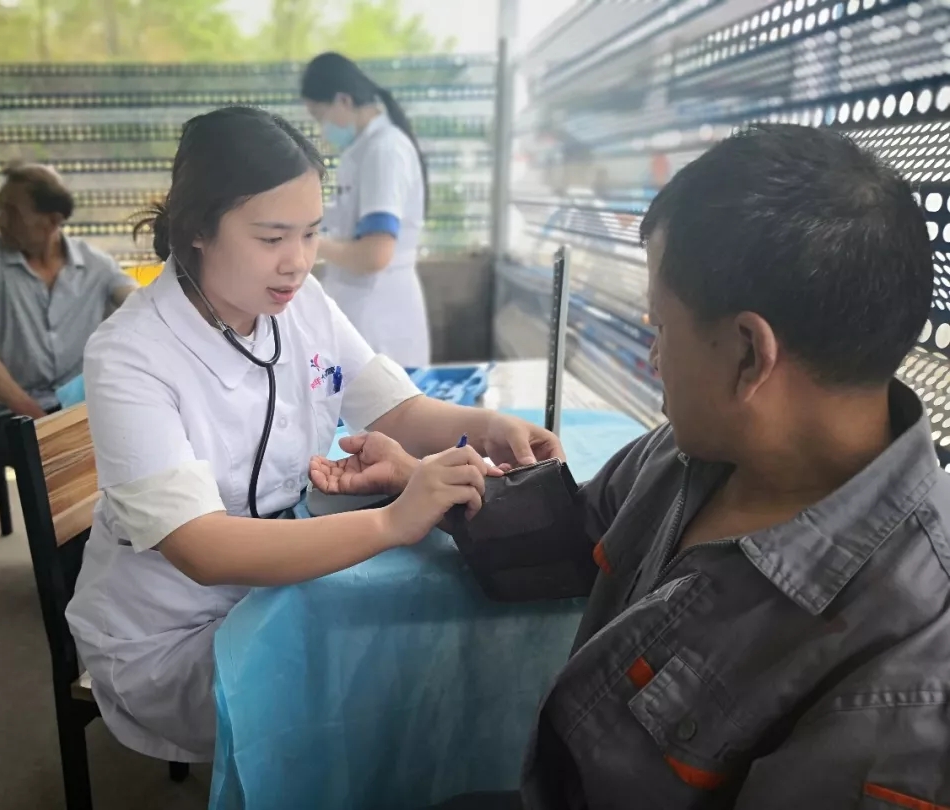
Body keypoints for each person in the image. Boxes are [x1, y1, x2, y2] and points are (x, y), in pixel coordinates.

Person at [320, 125, 950, 808]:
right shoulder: (690, 453)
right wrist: (432, 482)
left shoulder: (912, 655)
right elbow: (574, 532)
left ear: (749, 354)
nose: (653, 360)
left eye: (661, 328)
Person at [64, 106, 562, 765]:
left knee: (432, 643)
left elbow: (397, 412)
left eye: (311, 233)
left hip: (276, 591)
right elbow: (202, 549)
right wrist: (392, 522)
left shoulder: (302, 307)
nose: (297, 262)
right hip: (173, 631)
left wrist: (486, 427)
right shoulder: (131, 356)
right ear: (197, 229)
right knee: (383, 694)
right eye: (272, 238)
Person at [0, 162, 137, 464]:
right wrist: (39, 420)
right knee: (78, 456)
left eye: (12, 211)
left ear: (53, 220)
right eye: (0, 208)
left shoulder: (93, 264)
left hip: (72, 408)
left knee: (139, 438)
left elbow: (134, 300)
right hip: (4, 416)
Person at [301, 52, 431, 368]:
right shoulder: (361, 150)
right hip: (362, 312)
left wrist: (307, 241)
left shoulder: (385, 150)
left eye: (320, 116)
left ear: (343, 100)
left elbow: (375, 255)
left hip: (380, 319)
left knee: (382, 395)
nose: (321, 128)